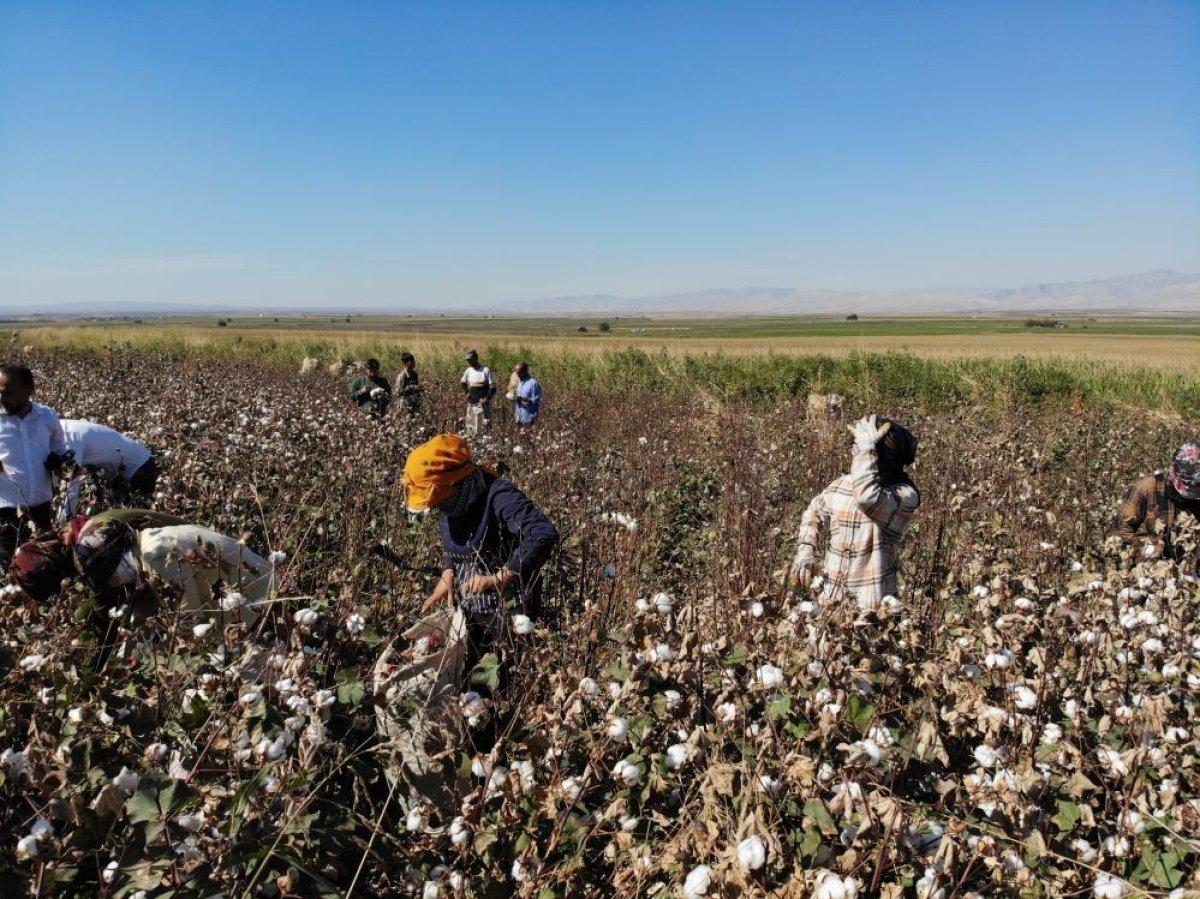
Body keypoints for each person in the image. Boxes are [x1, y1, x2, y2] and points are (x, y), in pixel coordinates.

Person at [402, 434, 558, 662]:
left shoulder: (499, 495)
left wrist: (500, 578)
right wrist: (448, 572)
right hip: (470, 606)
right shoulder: (451, 500)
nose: (435, 506)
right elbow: (456, 541)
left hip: (508, 608)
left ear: (455, 482)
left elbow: (543, 533)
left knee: (498, 670)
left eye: (436, 500)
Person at [9, 507, 276, 626]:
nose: (113, 583)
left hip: (260, 596)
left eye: (110, 577)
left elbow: (190, 612)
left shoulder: (156, 555)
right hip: (227, 576)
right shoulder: (99, 536)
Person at [791, 414, 920, 607]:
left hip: (873, 610)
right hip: (830, 601)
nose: (855, 451)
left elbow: (867, 498)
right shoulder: (843, 484)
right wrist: (805, 552)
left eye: (860, 446)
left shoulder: (904, 495)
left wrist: (867, 450)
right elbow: (813, 513)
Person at [0, 364, 70, 568]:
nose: (3, 398)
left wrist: (58, 459)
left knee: (43, 561)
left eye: (9, 393)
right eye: (0, 393)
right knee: (7, 562)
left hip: (41, 502)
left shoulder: (47, 416)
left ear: (30, 390)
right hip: (6, 506)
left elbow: (59, 447)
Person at [1117, 440, 1200, 562]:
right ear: (1174, 474)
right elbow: (1121, 534)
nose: (1191, 497)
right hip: (1149, 571)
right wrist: (1146, 549)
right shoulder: (1145, 490)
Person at [60, 419, 158, 509]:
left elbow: (72, 480)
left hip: (138, 468)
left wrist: (67, 520)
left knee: (132, 517)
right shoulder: (62, 426)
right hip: (131, 465)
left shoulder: (69, 438)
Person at [459, 350, 495, 437]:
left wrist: (487, 398)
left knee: (483, 424)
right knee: (470, 424)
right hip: (471, 402)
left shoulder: (485, 370)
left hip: (482, 403)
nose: (469, 362)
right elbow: (462, 382)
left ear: (476, 358)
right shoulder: (468, 371)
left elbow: (493, 387)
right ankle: (472, 440)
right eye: (468, 360)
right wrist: (467, 393)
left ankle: (483, 442)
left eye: (471, 360)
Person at [512, 362, 542, 427]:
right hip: (519, 417)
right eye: (516, 373)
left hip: (529, 418)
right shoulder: (519, 382)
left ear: (525, 371)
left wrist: (524, 399)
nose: (517, 375)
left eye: (519, 373)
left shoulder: (533, 383)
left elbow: (538, 400)